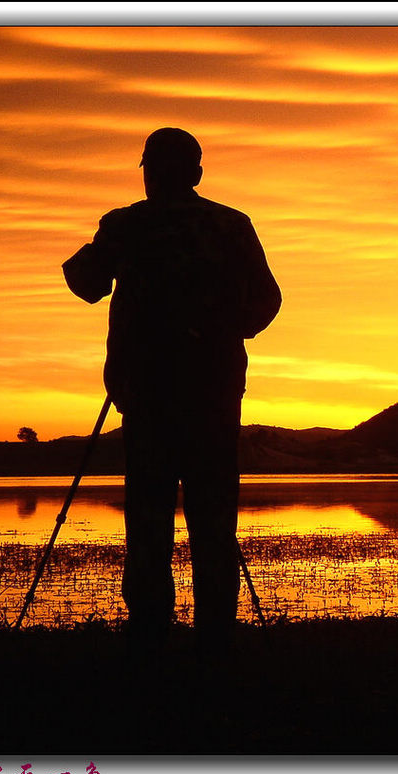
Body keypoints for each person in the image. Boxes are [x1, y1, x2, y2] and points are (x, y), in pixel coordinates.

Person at [62, 128, 282, 660]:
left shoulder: (125, 225)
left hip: (149, 395)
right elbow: (268, 300)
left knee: (148, 517)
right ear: (198, 174)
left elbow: (87, 284)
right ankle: (215, 640)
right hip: (213, 395)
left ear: (149, 172)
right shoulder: (231, 225)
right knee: (213, 519)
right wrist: (224, 333)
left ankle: (149, 635)